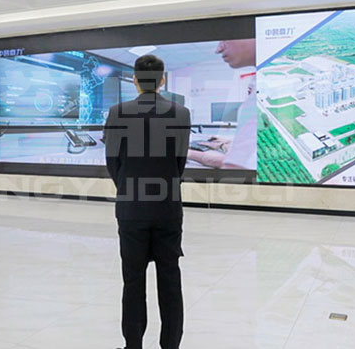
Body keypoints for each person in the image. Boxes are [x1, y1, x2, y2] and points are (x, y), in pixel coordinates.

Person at [104, 55, 191, 349]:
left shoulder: (117, 112)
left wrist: (128, 188)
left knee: (132, 280)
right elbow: (179, 163)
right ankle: (171, 345)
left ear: (135, 80)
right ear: (162, 80)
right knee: (170, 280)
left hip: (131, 208)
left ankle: (133, 345)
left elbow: (113, 163)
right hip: (168, 208)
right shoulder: (181, 113)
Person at [187, 39, 257, 170]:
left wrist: (187, 153)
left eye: (226, 38)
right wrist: (220, 143)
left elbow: (236, 164)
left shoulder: (262, 96)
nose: (218, 49)